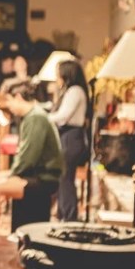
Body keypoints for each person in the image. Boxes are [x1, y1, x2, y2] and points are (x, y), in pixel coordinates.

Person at [0, 93, 64, 236]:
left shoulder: (36, 117)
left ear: (18, 97)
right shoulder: (32, 115)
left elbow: (29, 156)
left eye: (9, 102)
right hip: (33, 172)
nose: (9, 107)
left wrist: (11, 177)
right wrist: (11, 176)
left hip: (43, 177)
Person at [48, 59, 89, 222]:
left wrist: (44, 118)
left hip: (71, 137)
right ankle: (63, 214)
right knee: (64, 178)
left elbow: (64, 116)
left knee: (66, 179)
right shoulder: (70, 91)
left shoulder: (75, 91)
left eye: (58, 75)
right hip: (68, 136)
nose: (57, 78)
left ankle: (69, 216)